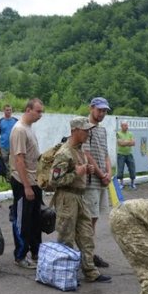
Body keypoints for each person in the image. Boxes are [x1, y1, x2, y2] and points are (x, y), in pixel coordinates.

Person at [50, 116, 111, 283]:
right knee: (66, 237)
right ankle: (64, 274)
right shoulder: (64, 152)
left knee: (86, 235)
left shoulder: (79, 150)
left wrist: (87, 170)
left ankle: (90, 271)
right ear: (75, 131)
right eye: (85, 130)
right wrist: (78, 172)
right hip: (67, 198)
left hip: (80, 196)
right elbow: (54, 181)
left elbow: (79, 170)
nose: (88, 134)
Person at [9, 98, 44, 269]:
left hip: (34, 180)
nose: (40, 115)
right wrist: (26, 186)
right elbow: (19, 160)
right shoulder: (19, 130)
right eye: (38, 111)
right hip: (23, 182)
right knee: (23, 220)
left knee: (36, 219)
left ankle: (36, 252)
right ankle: (20, 255)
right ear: (28, 109)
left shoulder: (29, 128)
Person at [83, 97, 113, 268]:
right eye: (99, 110)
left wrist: (109, 173)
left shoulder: (102, 130)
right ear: (91, 108)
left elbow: (106, 154)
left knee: (95, 219)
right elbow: (87, 154)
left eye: (104, 111)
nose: (102, 113)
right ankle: (86, 256)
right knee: (88, 220)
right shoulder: (85, 128)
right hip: (91, 181)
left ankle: (90, 253)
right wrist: (102, 174)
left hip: (102, 181)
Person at [116, 121, 137, 190]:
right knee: (120, 169)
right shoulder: (118, 133)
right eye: (125, 126)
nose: (127, 127)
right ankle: (121, 184)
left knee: (132, 169)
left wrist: (125, 142)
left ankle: (132, 184)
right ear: (121, 126)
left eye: (127, 125)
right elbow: (120, 143)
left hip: (129, 154)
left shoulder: (130, 133)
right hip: (121, 154)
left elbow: (133, 143)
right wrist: (128, 142)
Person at [0, 104, 18, 171]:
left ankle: (13, 176)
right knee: (5, 163)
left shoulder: (16, 121)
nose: (9, 111)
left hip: (14, 146)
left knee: (14, 163)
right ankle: (7, 176)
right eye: (7, 110)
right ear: (4, 111)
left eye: (10, 110)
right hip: (3, 146)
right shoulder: (0, 121)